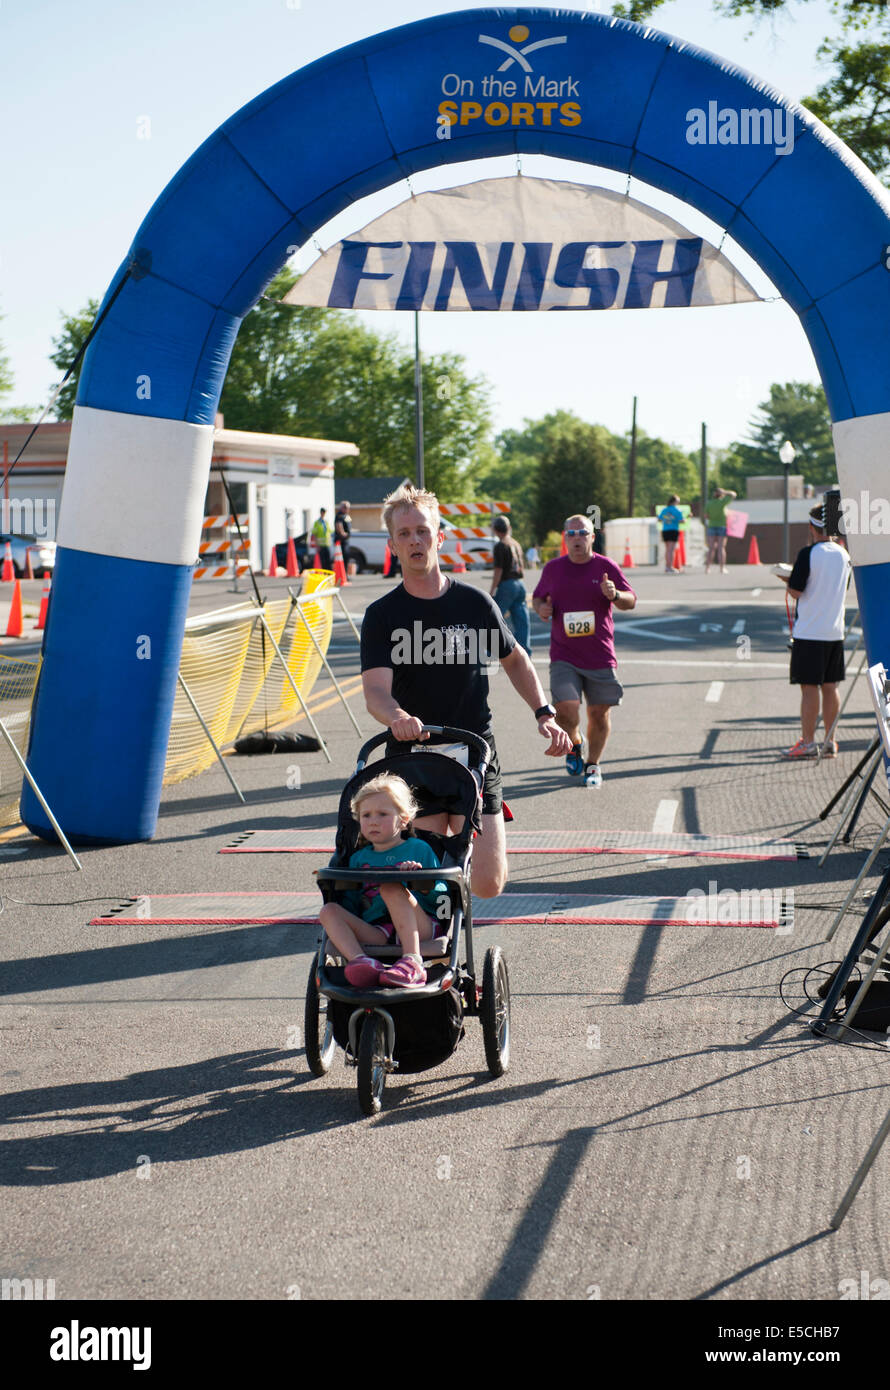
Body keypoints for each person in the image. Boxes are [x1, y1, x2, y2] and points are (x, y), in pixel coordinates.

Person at [360, 483, 572, 899]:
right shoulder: (383, 615)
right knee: (419, 877)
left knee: (489, 884)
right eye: (404, 534)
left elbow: (515, 659)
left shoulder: (473, 604)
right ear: (392, 546)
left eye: (422, 531)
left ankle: (460, 863)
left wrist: (544, 712)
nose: (415, 540)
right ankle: (425, 952)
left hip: (473, 750)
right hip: (413, 756)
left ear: (439, 537)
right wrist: (397, 718)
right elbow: (375, 692)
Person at [532, 513, 637, 788]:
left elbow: (630, 601)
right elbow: (538, 597)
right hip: (564, 654)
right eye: (571, 534)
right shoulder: (553, 568)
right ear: (565, 538)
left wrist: (614, 595)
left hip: (599, 655)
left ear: (592, 537)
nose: (577, 538)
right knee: (566, 709)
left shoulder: (606, 567)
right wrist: (541, 608)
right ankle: (575, 743)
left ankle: (593, 765)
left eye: (583, 533)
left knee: (599, 714)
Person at [319, 773, 447, 988]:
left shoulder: (418, 849)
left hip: (420, 927)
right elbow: (351, 901)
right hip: (378, 930)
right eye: (366, 815)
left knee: (390, 887)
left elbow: (443, 896)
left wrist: (421, 882)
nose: (373, 821)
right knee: (329, 910)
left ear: (404, 819)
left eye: (382, 814)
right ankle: (360, 961)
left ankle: (413, 961)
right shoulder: (358, 858)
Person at [778, 503, 852, 759]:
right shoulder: (844, 554)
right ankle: (830, 740)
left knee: (809, 688)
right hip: (834, 630)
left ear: (812, 527)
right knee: (831, 687)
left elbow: (797, 591)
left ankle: (808, 742)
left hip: (810, 630)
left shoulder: (808, 554)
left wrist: (786, 580)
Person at [489, 515, 530, 655]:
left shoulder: (501, 546)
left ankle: (491, 649)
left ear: (495, 530)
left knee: (495, 617)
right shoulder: (515, 543)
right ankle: (524, 650)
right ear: (509, 528)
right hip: (520, 583)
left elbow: (499, 569)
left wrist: (493, 589)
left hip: (507, 584)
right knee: (521, 620)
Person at [704, 486, 737, 573]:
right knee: (721, 548)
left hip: (711, 526)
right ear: (721, 495)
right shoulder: (722, 502)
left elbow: (706, 516)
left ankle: (707, 568)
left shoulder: (709, 503)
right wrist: (725, 491)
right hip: (722, 526)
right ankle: (722, 568)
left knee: (711, 548)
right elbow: (734, 494)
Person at [657, 494, 684, 574]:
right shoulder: (677, 510)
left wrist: (667, 519)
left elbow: (659, 519)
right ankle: (670, 567)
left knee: (667, 549)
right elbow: (682, 520)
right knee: (671, 550)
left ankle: (667, 567)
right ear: (674, 501)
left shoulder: (665, 510)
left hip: (665, 530)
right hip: (673, 530)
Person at [335, 501, 352, 572]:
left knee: (347, 557)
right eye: (346, 508)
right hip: (342, 541)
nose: (347, 509)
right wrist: (343, 533)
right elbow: (338, 525)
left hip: (346, 540)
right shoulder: (339, 515)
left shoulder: (346, 516)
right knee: (342, 558)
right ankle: (342, 574)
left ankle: (345, 574)